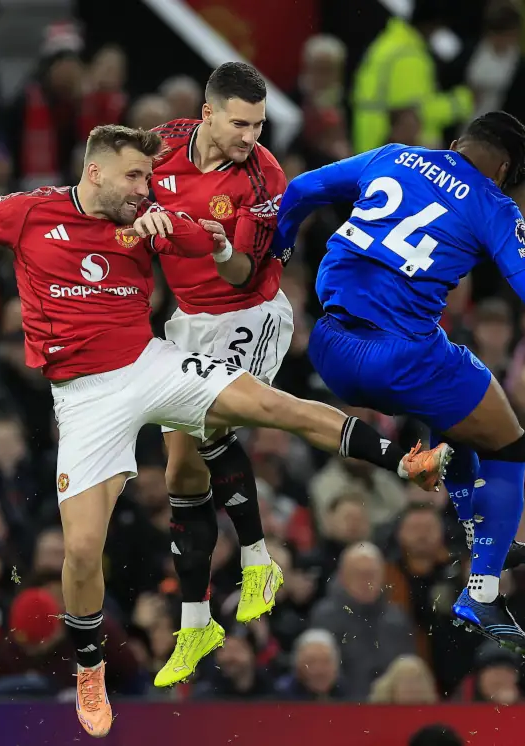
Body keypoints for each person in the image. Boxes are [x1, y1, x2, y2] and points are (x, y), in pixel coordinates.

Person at [0, 124, 447, 739]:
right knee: (80, 552)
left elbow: (216, 251)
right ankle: (90, 669)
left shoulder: (148, 217)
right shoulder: (28, 212)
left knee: (274, 404)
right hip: (85, 400)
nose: (145, 188)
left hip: (149, 364)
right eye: (135, 177)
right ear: (96, 169)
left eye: (150, 179)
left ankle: (402, 459)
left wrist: (185, 230)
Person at [273, 110, 525, 658]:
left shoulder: (393, 156)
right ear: (505, 167)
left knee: (460, 420)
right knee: (509, 443)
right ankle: (481, 591)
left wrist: (280, 249)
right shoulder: (494, 206)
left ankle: (478, 529)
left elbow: (299, 189)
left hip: (331, 346)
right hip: (400, 357)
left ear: (460, 140)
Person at [147, 61, 290, 687]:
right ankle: (196, 620)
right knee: (180, 469)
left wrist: (220, 246)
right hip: (188, 319)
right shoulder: (163, 143)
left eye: (258, 125)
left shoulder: (264, 178)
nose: (250, 136)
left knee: (207, 426)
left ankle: (259, 558)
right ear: (206, 114)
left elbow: (239, 275)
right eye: (239, 123)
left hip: (247, 313)